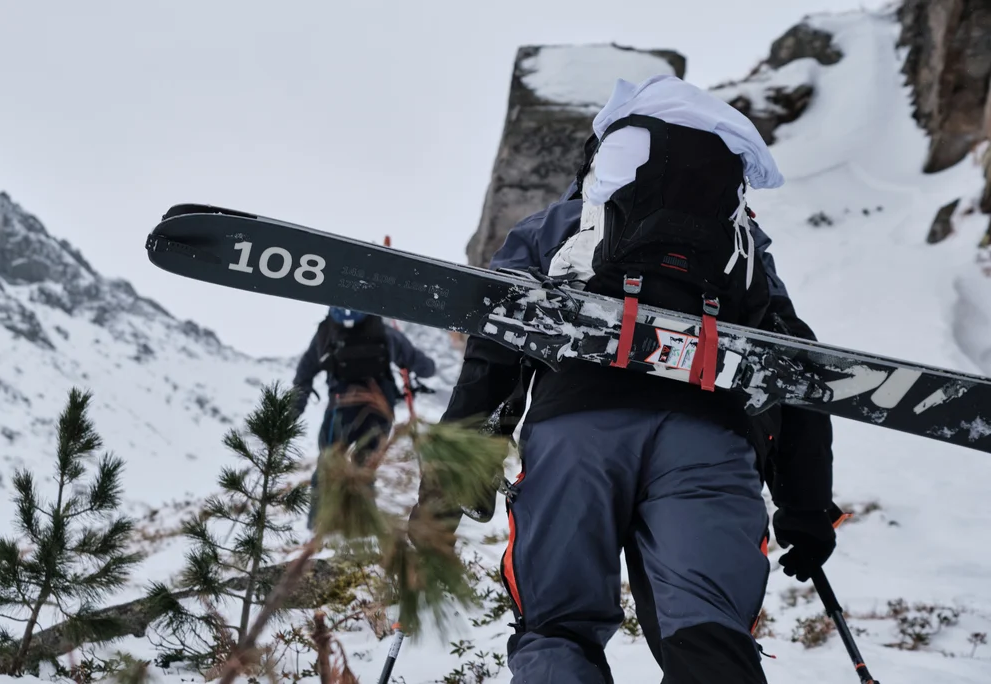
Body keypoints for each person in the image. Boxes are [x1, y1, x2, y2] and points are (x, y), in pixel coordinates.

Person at [417, 74, 839, 684]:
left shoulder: (556, 227)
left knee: (557, 628)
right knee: (710, 631)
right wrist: (805, 507)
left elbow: (496, 345)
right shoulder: (743, 250)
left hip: (577, 433)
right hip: (710, 441)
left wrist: (443, 488)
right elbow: (795, 367)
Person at [292, 306, 437, 529]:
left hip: (339, 410)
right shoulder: (385, 332)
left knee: (327, 465)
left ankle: (317, 526)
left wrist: (294, 411)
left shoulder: (325, 333)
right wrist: (415, 368)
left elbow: (304, 375)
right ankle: (362, 527)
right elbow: (426, 368)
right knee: (365, 467)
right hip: (378, 412)